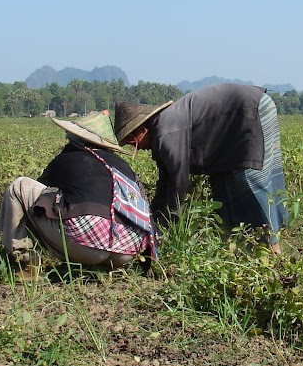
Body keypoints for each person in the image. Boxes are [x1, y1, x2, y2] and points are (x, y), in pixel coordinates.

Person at [114, 83, 288, 253]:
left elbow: (178, 180)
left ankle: (273, 250)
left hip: (249, 111)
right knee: (224, 190)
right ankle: (237, 249)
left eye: (132, 142)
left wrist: (171, 222)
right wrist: (153, 219)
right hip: (233, 125)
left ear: (141, 131)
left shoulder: (166, 131)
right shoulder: (162, 131)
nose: (137, 148)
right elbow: (164, 182)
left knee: (250, 180)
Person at [0, 111, 157, 278]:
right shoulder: (122, 166)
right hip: (129, 247)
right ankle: (104, 268)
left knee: (19, 186)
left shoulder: (67, 158)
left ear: (77, 140)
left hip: (86, 243)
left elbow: (42, 199)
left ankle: (24, 264)